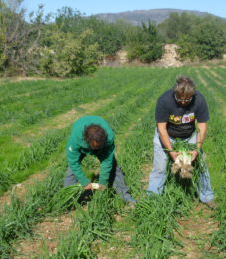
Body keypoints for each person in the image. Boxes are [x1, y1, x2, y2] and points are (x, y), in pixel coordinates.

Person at [147, 76, 214, 206]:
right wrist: (171, 151)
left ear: (192, 95)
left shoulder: (199, 100)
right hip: (167, 135)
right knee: (159, 168)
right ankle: (152, 200)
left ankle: (207, 197)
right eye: (180, 99)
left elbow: (202, 126)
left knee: (201, 166)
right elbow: (161, 129)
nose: (183, 102)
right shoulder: (164, 100)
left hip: (189, 136)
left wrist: (196, 149)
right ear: (175, 93)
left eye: (187, 99)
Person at [65, 115, 137, 205]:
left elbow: (107, 162)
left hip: (103, 147)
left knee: (114, 168)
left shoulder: (109, 138)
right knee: (71, 170)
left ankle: (126, 197)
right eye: (94, 147)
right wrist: (84, 181)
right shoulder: (76, 139)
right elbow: (73, 162)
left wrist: (103, 182)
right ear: (87, 140)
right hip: (82, 143)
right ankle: (68, 200)